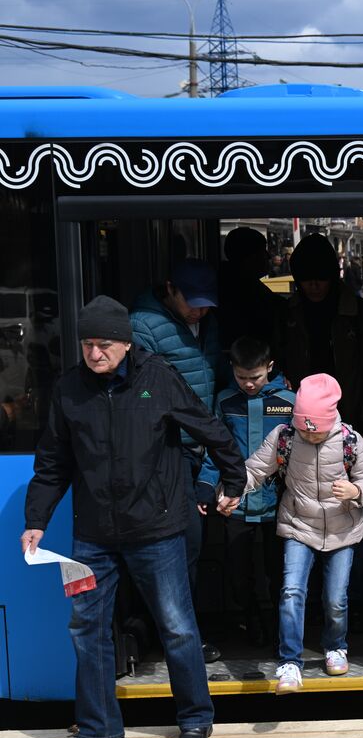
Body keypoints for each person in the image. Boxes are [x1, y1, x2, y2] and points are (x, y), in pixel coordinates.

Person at [21, 296, 246, 738]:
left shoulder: (157, 378)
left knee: (178, 628)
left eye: (104, 344)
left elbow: (208, 427)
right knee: (86, 628)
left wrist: (233, 478)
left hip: (157, 530)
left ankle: (195, 719)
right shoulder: (69, 391)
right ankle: (99, 729)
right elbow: (51, 465)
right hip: (92, 537)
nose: (94, 353)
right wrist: (36, 521)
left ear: (125, 344)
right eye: (87, 344)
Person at [237, 373, 363, 695]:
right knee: (291, 592)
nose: (309, 436)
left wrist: (355, 490)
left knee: (335, 600)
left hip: (343, 529)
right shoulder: (284, 437)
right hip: (298, 525)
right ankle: (290, 662)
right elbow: (255, 469)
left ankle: (335, 646)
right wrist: (231, 490)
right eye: (304, 429)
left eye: (316, 431)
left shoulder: (350, 441)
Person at [130, 258, 224, 662]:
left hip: (200, 447)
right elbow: (143, 397)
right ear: (170, 288)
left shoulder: (208, 322)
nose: (199, 312)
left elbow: (217, 383)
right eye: (193, 303)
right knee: (182, 544)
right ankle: (179, 638)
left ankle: (179, 633)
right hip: (168, 451)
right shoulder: (142, 325)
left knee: (192, 545)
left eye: (206, 305)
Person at [196, 336, 297, 647]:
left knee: (277, 569)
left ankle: (280, 625)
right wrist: (205, 486)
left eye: (255, 377)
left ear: (269, 367)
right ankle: (249, 617)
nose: (249, 385)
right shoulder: (226, 400)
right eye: (242, 377)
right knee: (238, 570)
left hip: (278, 503)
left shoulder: (289, 401)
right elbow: (217, 447)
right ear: (232, 370)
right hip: (235, 503)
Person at [279, 234, 363, 466]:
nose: (314, 286)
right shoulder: (288, 314)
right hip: (302, 423)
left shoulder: (360, 314)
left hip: (352, 422)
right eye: (306, 280)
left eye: (321, 278)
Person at [218, 227, 284, 352]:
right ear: (248, 258)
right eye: (262, 251)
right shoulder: (240, 290)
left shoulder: (245, 283)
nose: (268, 256)